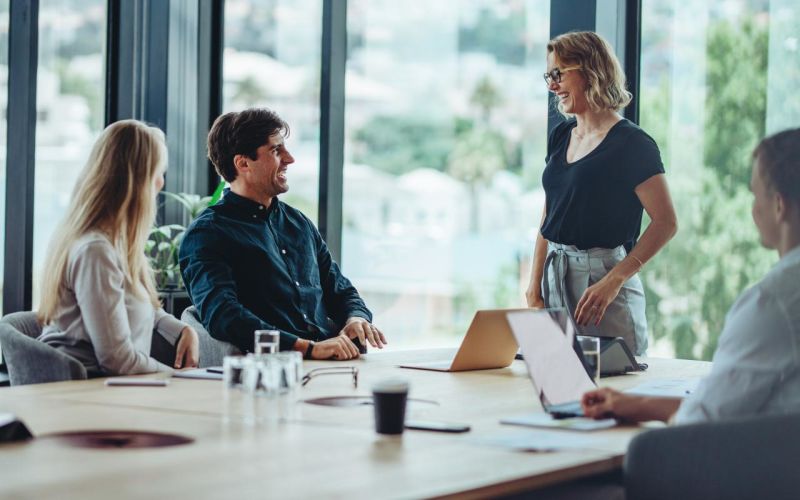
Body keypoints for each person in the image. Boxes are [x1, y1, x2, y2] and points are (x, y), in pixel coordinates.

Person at [582, 128, 800, 424]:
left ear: (778, 206)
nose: (753, 209)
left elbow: (703, 421)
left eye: (755, 195)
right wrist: (635, 403)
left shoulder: (772, 304)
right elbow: (718, 405)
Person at [179, 108, 386, 361]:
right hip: (272, 372)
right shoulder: (208, 234)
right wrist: (306, 347)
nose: (289, 159)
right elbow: (224, 317)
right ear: (243, 163)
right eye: (276, 151)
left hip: (332, 365)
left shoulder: (299, 223)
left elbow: (341, 291)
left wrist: (356, 318)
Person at [525, 31, 678, 355]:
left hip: (603, 281)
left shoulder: (633, 144)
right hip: (556, 272)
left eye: (558, 74)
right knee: (557, 384)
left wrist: (615, 280)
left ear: (591, 70)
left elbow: (666, 222)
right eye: (548, 76)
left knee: (618, 389)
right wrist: (533, 284)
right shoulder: (562, 134)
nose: (552, 85)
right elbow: (549, 212)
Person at [38, 120, 200, 375]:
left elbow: (130, 307)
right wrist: (179, 377)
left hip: (111, 389)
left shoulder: (112, 243)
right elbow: (117, 360)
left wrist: (182, 329)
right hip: (89, 393)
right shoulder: (96, 252)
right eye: (158, 172)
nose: (160, 183)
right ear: (137, 181)